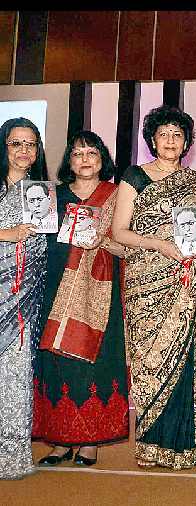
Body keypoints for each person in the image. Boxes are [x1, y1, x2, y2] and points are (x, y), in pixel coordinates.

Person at [111, 105, 196, 470]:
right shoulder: (135, 176)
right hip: (147, 280)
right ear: (152, 140)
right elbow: (119, 231)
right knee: (149, 362)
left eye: (178, 135)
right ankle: (149, 444)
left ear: (186, 142)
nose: (171, 141)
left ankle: (181, 445)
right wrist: (159, 244)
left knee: (184, 359)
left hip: (187, 281)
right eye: (164, 134)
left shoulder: (195, 180)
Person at [32, 130, 129, 467]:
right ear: (68, 161)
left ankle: (90, 443)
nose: (85, 159)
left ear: (103, 159)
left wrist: (99, 241)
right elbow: (36, 242)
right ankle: (59, 442)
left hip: (100, 293)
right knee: (57, 363)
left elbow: (128, 247)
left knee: (94, 364)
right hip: (56, 288)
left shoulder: (117, 196)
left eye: (92, 152)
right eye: (78, 153)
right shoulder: (52, 197)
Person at [0, 117, 48, 480]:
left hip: (26, 297)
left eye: (30, 144)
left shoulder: (44, 192)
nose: (23, 150)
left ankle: (13, 455)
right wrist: (8, 232)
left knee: (17, 373)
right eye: (16, 143)